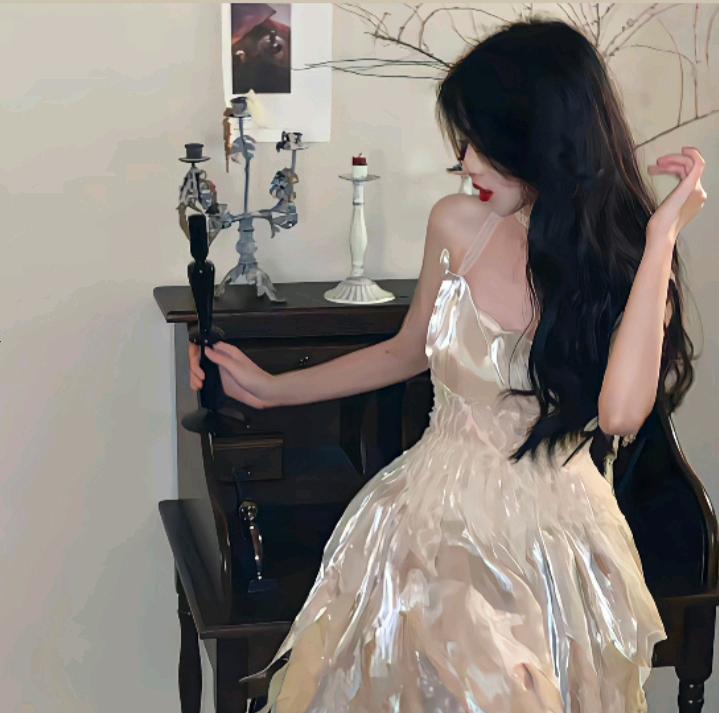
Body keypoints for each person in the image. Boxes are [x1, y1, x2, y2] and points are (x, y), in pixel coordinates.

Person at [189, 18, 704, 713]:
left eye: (480, 143)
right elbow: (407, 351)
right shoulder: (457, 223)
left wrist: (660, 241)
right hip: (434, 520)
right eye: (462, 143)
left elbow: (618, 415)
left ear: (539, 138)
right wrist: (272, 389)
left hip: (557, 538)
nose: (465, 163)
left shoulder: (629, 266)